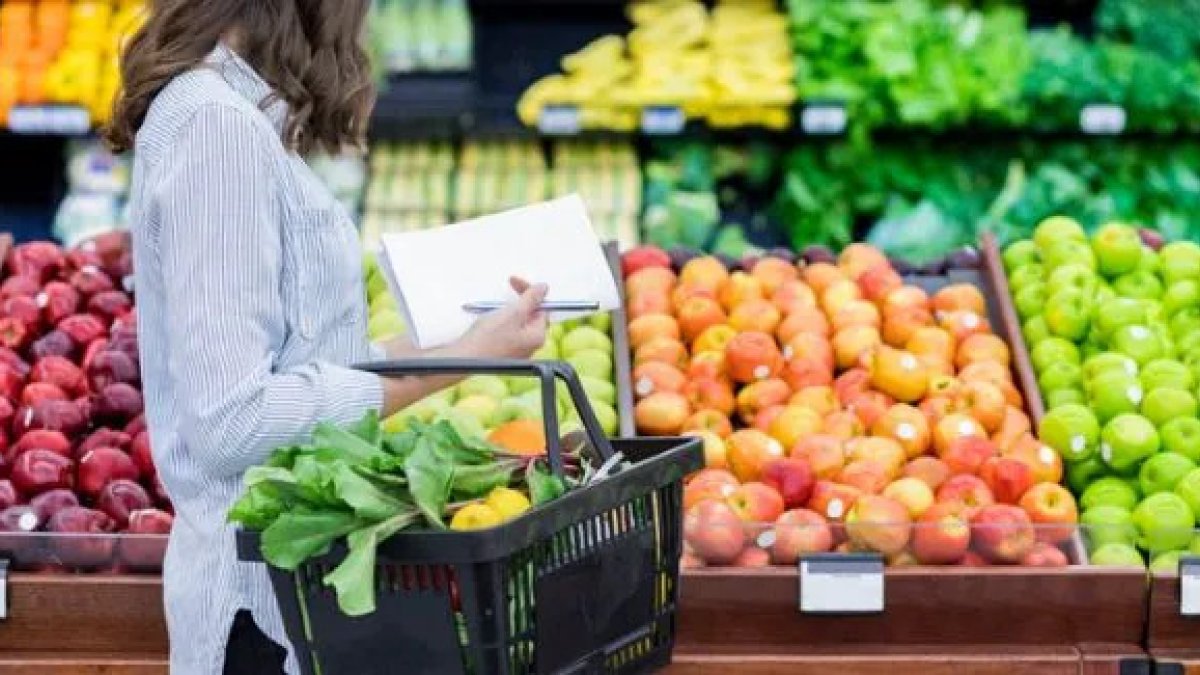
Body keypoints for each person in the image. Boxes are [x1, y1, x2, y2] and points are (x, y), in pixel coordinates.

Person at [104, 2, 548, 673]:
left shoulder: (234, 114)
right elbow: (232, 419)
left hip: (297, 599)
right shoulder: (215, 128)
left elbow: (305, 366)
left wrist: (469, 343)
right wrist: (457, 364)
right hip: (258, 614)